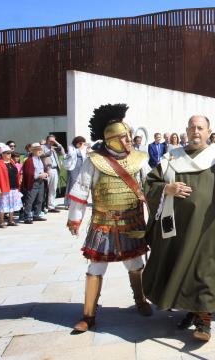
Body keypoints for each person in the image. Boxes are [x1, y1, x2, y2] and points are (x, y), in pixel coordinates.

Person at [143, 115, 215, 341]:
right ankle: (191, 309)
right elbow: (150, 183)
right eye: (192, 128)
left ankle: (204, 320)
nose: (196, 131)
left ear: (209, 132)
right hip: (177, 228)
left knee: (205, 270)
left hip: (208, 227)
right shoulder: (172, 157)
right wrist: (167, 188)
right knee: (183, 268)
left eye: (200, 128)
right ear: (186, 131)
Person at [66, 104, 152, 333]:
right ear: (110, 139)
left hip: (131, 221)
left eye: (129, 137)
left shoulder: (140, 159)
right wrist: (75, 219)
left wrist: (157, 215)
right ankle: (88, 315)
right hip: (102, 223)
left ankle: (141, 300)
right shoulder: (94, 161)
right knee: (96, 266)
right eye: (123, 138)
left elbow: (152, 188)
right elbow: (81, 190)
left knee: (135, 264)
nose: (128, 142)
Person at [0, 144, 22, 228]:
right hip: (3, 187)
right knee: (3, 204)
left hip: (13, 187)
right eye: (7, 153)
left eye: (10, 153)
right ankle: (1, 221)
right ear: (2, 154)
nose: (9, 155)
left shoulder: (12, 162)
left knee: (12, 204)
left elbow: (16, 173)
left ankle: (11, 220)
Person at [21, 143, 47, 224]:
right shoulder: (29, 161)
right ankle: (27, 217)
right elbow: (28, 173)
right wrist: (39, 175)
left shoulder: (40, 159)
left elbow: (41, 170)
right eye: (38, 149)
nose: (40, 151)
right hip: (33, 182)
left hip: (41, 182)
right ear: (33, 151)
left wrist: (45, 174)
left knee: (39, 199)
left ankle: (36, 215)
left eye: (40, 149)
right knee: (30, 200)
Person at [42, 134, 66, 212]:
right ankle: (43, 206)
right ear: (46, 140)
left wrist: (56, 142)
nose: (51, 142)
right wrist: (49, 151)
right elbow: (42, 155)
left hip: (55, 169)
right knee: (45, 189)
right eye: (50, 141)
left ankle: (51, 206)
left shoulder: (54, 148)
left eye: (53, 141)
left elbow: (62, 152)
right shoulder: (43, 147)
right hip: (47, 170)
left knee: (53, 189)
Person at [62, 136, 88, 208]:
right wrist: (79, 148)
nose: (83, 145)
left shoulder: (82, 149)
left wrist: (87, 151)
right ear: (78, 143)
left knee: (78, 185)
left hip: (81, 168)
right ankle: (68, 203)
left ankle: (76, 201)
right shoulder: (71, 147)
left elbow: (85, 158)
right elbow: (71, 154)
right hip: (73, 168)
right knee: (71, 184)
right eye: (82, 143)